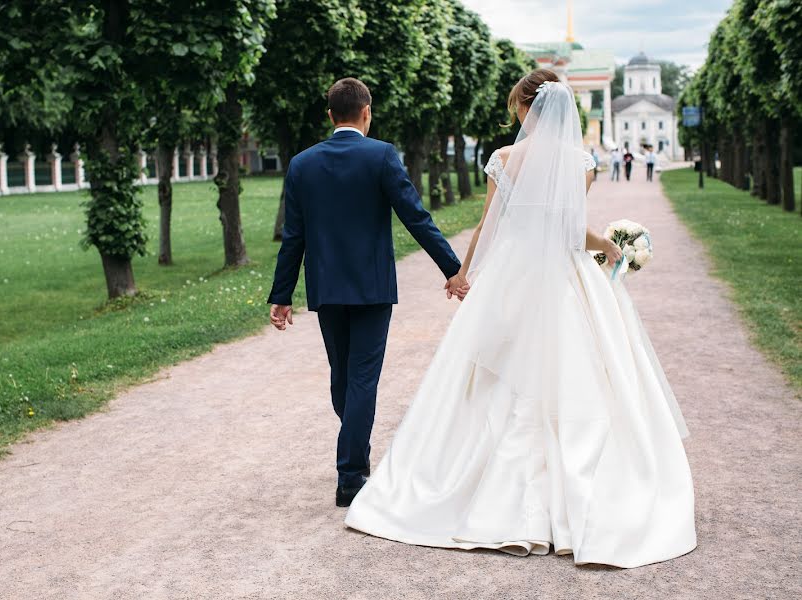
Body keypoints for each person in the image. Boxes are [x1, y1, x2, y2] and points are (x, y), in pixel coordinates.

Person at [344, 69, 696, 569]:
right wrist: (613, 250)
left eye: (517, 107)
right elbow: (573, 231)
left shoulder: (504, 159)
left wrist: (462, 274)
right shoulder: (581, 162)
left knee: (495, 378)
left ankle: (490, 500)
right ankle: (574, 505)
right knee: (581, 372)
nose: (516, 115)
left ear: (526, 107)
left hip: (512, 274)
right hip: (564, 278)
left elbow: (490, 225)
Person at [267, 77, 466, 508]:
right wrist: (453, 269)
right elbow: (416, 217)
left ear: (330, 115)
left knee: (344, 378)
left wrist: (281, 295)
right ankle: (353, 472)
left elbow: (293, 237)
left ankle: (351, 468)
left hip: (327, 289)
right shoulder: (381, 156)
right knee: (358, 380)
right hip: (373, 289)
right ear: (366, 112)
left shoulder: (302, 164)